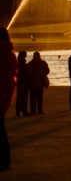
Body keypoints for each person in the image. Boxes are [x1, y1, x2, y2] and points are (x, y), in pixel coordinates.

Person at [0, 27, 17, 171]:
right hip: (5, 97)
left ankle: (4, 161)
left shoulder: (3, 54)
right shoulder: (10, 53)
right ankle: (4, 161)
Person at [15, 50, 30, 117]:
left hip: (21, 82)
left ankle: (19, 111)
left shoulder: (19, 62)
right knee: (23, 97)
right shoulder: (21, 63)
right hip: (23, 83)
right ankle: (23, 111)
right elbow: (22, 74)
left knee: (20, 97)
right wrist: (22, 83)